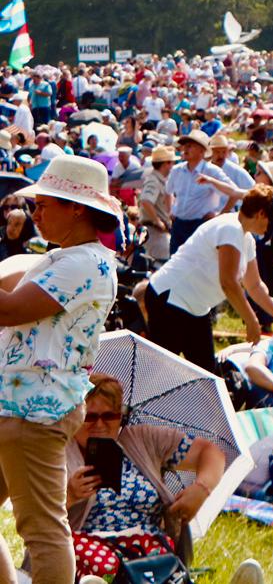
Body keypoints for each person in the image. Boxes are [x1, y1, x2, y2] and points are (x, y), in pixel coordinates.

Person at [0, 155, 120, 584]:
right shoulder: (71, 257)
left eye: (44, 205)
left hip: (33, 410)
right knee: (43, 528)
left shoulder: (83, 263)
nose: (34, 214)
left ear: (77, 209)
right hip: (20, 406)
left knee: (44, 531)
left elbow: (9, 309)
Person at [64, 373, 240, 584]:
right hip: (90, 547)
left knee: (160, 561)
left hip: (145, 544)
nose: (100, 425)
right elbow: (37, 518)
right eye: (90, 417)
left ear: (121, 416)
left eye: (109, 416)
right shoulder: (57, 451)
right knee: (106, 565)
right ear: (74, 417)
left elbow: (210, 453)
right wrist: (70, 495)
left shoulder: (141, 439)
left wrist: (201, 488)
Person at [144, 185, 273, 373]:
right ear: (261, 214)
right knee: (159, 373)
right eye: (272, 220)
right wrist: (251, 321)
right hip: (170, 300)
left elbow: (255, 286)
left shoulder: (247, 239)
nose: (272, 227)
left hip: (196, 308)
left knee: (208, 375)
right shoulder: (231, 228)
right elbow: (229, 283)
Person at [166, 130, 246, 252]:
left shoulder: (212, 171)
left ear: (201, 151)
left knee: (199, 261)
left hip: (200, 225)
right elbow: (168, 191)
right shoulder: (177, 170)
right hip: (179, 225)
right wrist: (170, 211)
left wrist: (220, 215)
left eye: (190, 146)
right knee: (175, 260)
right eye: (185, 146)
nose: (185, 149)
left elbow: (234, 193)